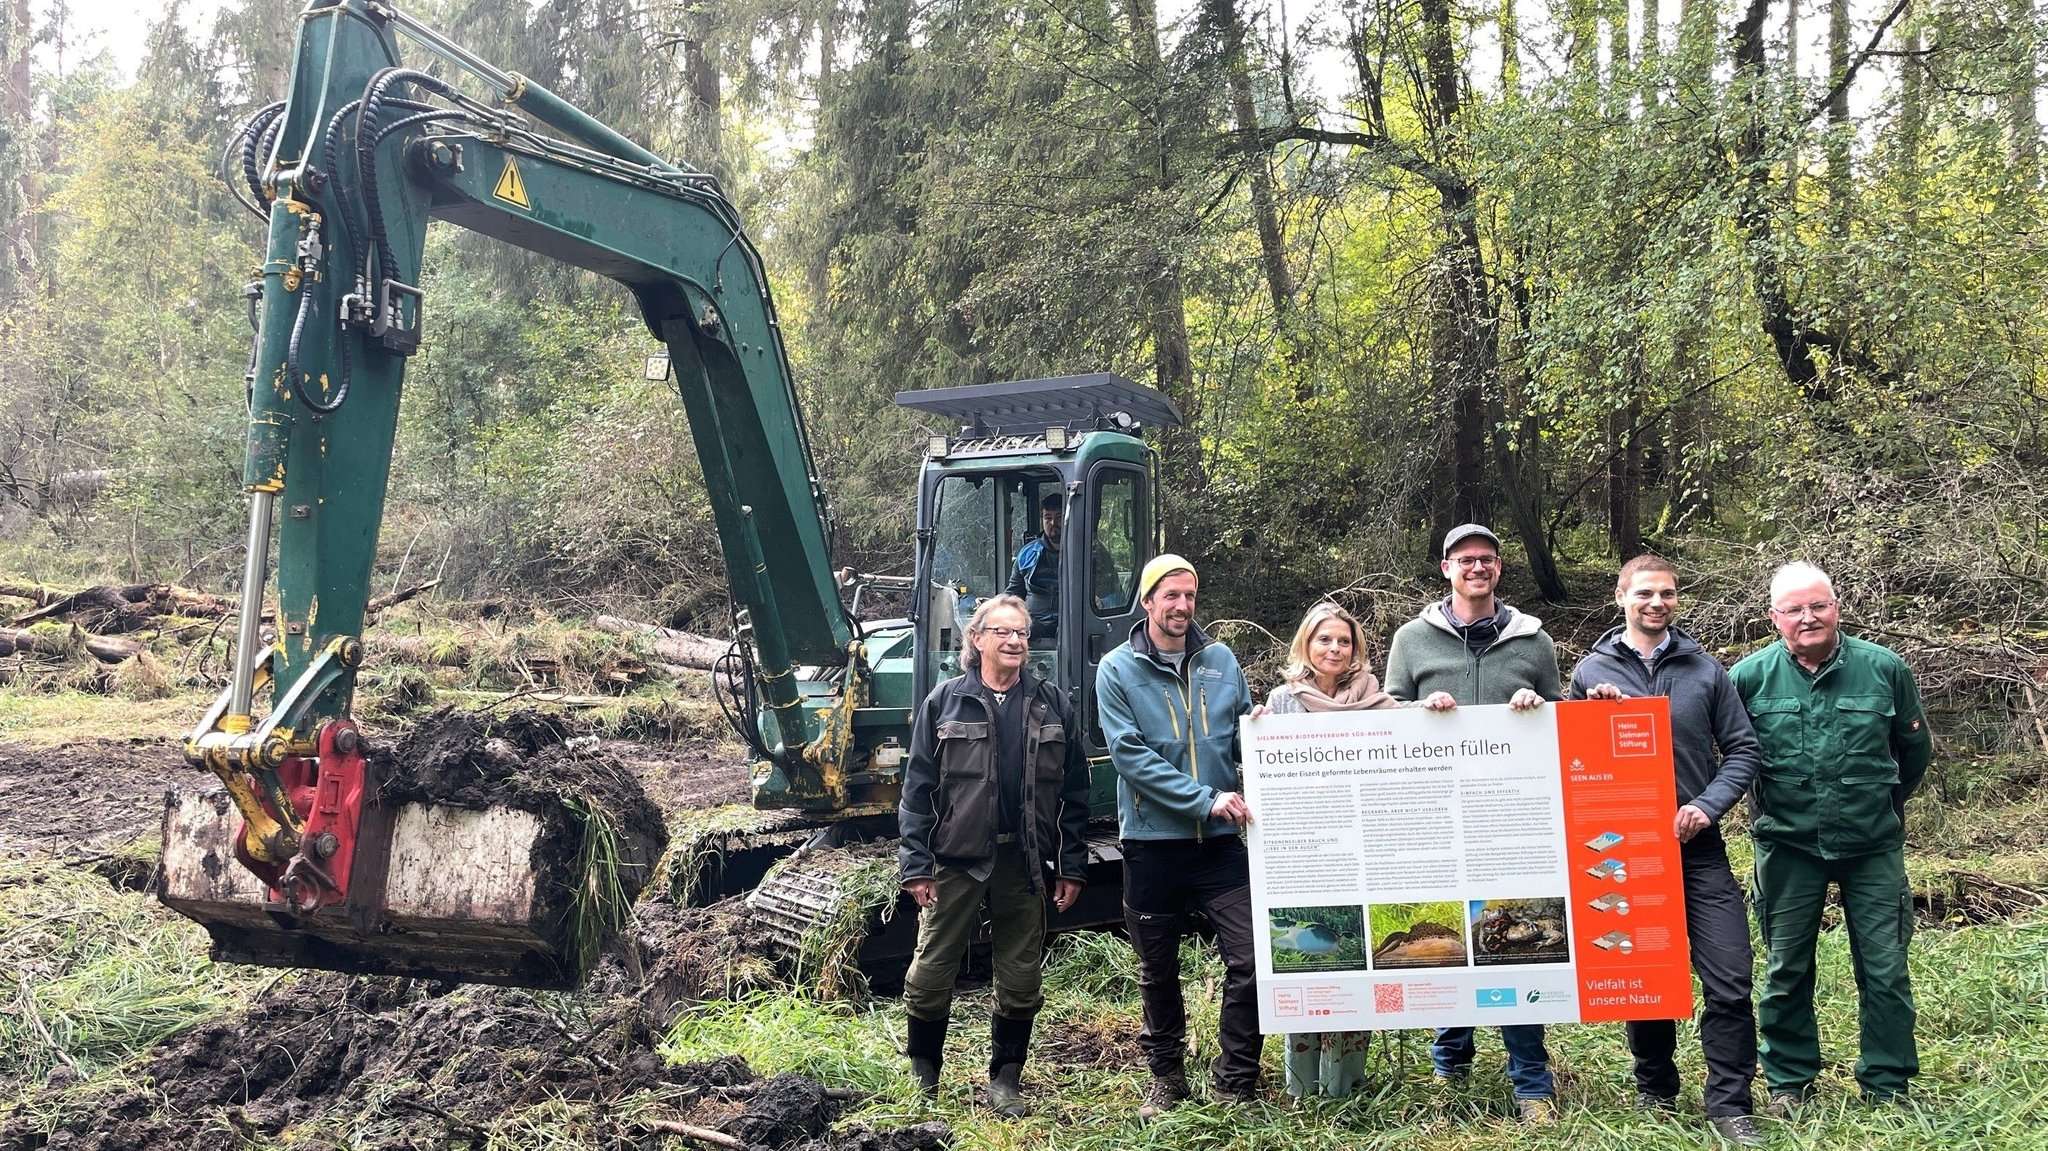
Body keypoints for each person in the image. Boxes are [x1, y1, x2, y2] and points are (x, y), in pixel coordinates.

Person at [1570, 555, 1765, 1147]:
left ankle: (1730, 1104)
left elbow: (1743, 751)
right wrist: (1591, 717)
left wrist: (1707, 806)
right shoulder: (1590, 670)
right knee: (1646, 974)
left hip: (1699, 850)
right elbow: (1573, 761)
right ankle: (1655, 1088)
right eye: (1645, 593)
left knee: (1730, 977)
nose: (1657, 603)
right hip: (1625, 851)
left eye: (1668, 594)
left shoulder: (1706, 670)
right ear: (1621, 597)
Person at [1730, 561, 1930, 1112]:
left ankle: (1887, 1083)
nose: (1808, 617)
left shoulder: (1884, 668)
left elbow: (1915, 751)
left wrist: (1882, 806)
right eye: (1794, 609)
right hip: (1788, 846)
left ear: (1837, 607)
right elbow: (1725, 753)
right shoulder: (1748, 677)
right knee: (1786, 967)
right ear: (1775, 618)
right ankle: (1790, 1081)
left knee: (1885, 969)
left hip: (1872, 847)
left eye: (1818, 605)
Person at [1383, 523, 1561, 1126]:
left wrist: (1537, 711)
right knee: (1448, 941)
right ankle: (1448, 1067)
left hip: (1510, 820)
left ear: (1499, 569)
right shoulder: (1411, 639)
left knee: (1508, 941)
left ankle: (1531, 1083)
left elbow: (1561, 725)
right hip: (1433, 816)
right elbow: (1385, 720)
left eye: (1486, 559)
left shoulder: (1534, 642)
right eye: (1464, 560)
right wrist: (1418, 712)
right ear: (1446, 569)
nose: (1475, 568)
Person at [897, 594, 1091, 1116]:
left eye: (1022, 634)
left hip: (1025, 860)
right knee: (931, 972)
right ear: (977, 639)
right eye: (1003, 632)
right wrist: (915, 865)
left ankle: (1005, 1082)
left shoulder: (1052, 703)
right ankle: (924, 1076)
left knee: (1022, 975)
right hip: (957, 861)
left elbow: (1076, 792)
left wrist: (1071, 864)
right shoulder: (944, 702)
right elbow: (917, 790)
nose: (1014, 642)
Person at [1095, 554, 1261, 1116]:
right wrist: (1207, 799)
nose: (1182, 606)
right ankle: (1167, 1079)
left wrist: (1273, 749)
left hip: (1218, 847)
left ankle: (1236, 1079)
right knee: (1157, 969)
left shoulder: (1220, 660)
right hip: (1150, 843)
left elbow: (1242, 736)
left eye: (1190, 595)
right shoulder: (1116, 669)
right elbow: (1129, 756)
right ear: (1147, 602)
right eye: (1171, 595)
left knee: (1251, 958)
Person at [1265, 601, 1397, 1100]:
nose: (1335, 649)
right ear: (1306, 645)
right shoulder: (1280, 703)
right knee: (1302, 961)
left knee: (1353, 963)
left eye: (1344, 641)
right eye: (1325, 640)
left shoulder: (1381, 703)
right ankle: (1302, 1091)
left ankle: (1345, 1090)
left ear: (1356, 648)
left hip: (1361, 853)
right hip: (1305, 855)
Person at [1006, 494, 1065, 645]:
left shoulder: (1090, 552)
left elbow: (1111, 594)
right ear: (1042, 520)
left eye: (1059, 516)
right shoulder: (1027, 554)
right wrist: (993, 605)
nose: (1053, 522)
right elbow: (1012, 595)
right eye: (1048, 517)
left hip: (1075, 627)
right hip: (1034, 630)